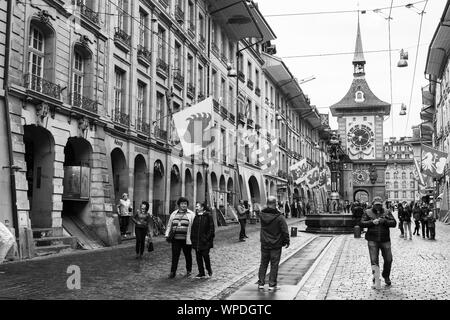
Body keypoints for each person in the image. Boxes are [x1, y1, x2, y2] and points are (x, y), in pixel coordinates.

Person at [360, 196, 396, 289]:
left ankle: (386, 275)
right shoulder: (367, 212)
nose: (378, 207)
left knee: (389, 259)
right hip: (372, 239)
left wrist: (384, 221)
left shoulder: (387, 212)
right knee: (374, 260)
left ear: (382, 204)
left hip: (385, 239)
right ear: (373, 204)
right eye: (376, 205)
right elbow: (362, 223)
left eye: (379, 205)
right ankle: (376, 278)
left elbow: (394, 223)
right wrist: (372, 222)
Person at [257, 196, 290, 291]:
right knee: (274, 264)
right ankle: (272, 284)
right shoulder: (279, 217)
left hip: (264, 243)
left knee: (263, 263)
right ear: (275, 204)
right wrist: (286, 241)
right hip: (276, 244)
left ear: (267, 203)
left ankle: (261, 283)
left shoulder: (262, 215)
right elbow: (285, 230)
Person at [165, 197, 195, 279]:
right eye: (182, 204)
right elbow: (169, 225)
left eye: (185, 204)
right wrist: (167, 234)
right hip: (176, 239)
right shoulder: (174, 214)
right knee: (175, 255)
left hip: (186, 239)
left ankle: (189, 270)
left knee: (188, 255)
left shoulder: (191, 214)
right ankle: (172, 272)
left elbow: (194, 227)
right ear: (179, 205)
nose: (184, 205)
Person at [191, 201, 215, 279]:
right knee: (198, 257)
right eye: (196, 206)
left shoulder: (208, 216)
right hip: (197, 241)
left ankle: (209, 270)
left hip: (205, 242)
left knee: (205, 256)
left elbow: (211, 229)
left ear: (202, 207)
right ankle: (201, 272)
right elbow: (193, 229)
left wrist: (206, 238)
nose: (196, 208)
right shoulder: (196, 216)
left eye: (197, 206)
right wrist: (193, 238)